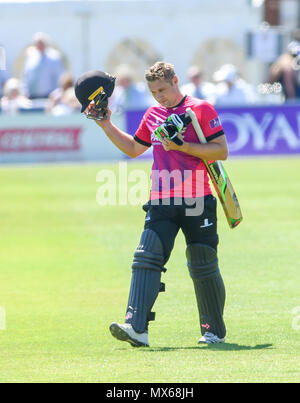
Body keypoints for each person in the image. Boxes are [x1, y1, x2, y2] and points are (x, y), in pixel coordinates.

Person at [75, 63, 229, 347]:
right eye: (153, 92)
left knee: (202, 264)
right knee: (145, 257)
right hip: (161, 199)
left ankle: (213, 330)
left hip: (198, 198)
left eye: (163, 90)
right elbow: (134, 149)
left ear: (175, 81)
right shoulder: (153, 113)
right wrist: (105, 123)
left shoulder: (200, 109)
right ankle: (136, 328)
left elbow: (221, 150)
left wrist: (182, 146)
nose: (159, 97)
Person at [22, 32, 65, 99]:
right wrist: (24, 91)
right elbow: (26, 76)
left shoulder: (54, 57)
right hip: (32, 96)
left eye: (41, 43)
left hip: (49, 96)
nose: (39, 45)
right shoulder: (31, 57)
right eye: (37, 43)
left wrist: (58, 93)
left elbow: (60, 76)